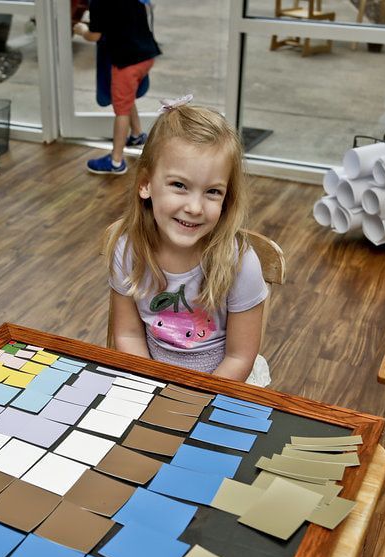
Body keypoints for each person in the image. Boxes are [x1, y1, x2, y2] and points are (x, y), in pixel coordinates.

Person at [106, 103, 270, 385]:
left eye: (212, 192)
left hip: (225, 385)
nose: (195, 207)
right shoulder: (127, 250)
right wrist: (153, 387)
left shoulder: (240, 263)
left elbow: (240, 358)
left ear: (226, 198)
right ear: (145, 184)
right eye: (180, 185)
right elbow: (128, 335)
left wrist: (191, 399)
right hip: (151, 377)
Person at [74, 0, 160, 175]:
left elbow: (95, 35)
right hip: (146, 55)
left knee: (120, 110)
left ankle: (116, 161)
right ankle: (136, 135)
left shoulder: (98, 3)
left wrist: (82, 31)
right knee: (125, 97)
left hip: (126, 64)